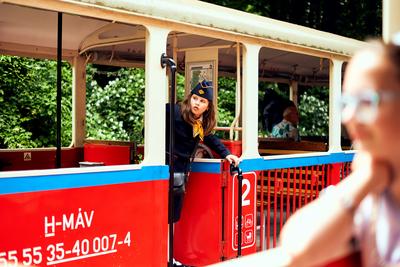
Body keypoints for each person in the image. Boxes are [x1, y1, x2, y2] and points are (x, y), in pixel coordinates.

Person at [279, 39, 400, 266]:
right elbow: (297, 245)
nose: (348, 117)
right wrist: (366, 179)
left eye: (366, 101)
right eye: (346, 102)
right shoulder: (373, 196)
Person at [166, 80, 240, 266]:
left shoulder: (200, 123)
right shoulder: (173, 111)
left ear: (208, 107)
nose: (196, 103)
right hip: (166, 168)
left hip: (180, 172)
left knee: (172, 217)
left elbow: (210, 138)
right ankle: (164, 257)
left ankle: (169, 258)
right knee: (163, 216)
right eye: (195, 98)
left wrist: (227, 154)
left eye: (202, 101)